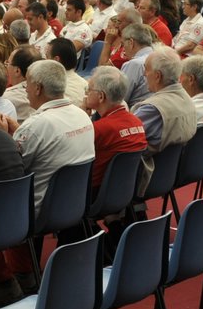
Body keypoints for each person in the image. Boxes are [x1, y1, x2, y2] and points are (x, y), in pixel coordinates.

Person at [12, 60, 95, 208]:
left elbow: (12, 170)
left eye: (27, 84)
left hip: (36, 210)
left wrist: (4, 139)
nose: (26, 90)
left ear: (38, 88)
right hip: (74, 204)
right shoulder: (83, 116)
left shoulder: (34, 126)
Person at [83, 66, 146, 191]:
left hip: (93, 195)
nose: (85, 93)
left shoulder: (99, 129)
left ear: (101, 96)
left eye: (88, 89)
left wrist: (82, 119)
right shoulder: (137, 122)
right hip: (124, 191)